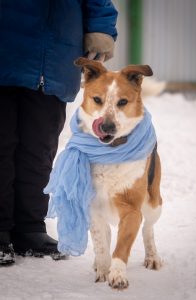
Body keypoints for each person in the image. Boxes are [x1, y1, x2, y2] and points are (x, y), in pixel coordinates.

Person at [0, 0, 118, 266]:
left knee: (39, 149)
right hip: (6, 46)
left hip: (53, 58)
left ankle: (29, 228)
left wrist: (101, 27)